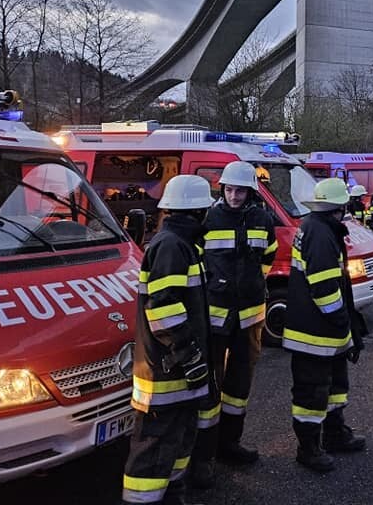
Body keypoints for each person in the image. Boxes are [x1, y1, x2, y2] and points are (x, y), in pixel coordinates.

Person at [121, 175, 214, 505]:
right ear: (198, 211)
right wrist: (190, 355)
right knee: (153, 449)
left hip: (175, 371)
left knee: (176, 443)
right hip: (166, 373)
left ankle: (174, 495)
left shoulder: (182, 244)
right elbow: (163, 310)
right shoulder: (172, 246)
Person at [190, 161, 278, 489]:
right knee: (208, 388)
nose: (234, 195)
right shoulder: (209, 219)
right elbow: (195, 261)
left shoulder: (262, 218)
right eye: (229, 189)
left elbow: (269, 254)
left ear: (250, 191)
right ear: (221, 189)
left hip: (250, 316)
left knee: (239, 388)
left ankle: (230, 444)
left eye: (240, 190)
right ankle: (203, 457)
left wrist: (255, 281)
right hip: (215, 318)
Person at [284, 178, 367, 473]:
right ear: (340, 206)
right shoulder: (320, 233)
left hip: (322, 331)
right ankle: (308, 449)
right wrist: (343, 322)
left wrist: (350, 327)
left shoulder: (317, 227)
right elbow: (323, 289)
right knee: (311, 392)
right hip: (313, 333)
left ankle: (333, 434)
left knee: (333, 387)